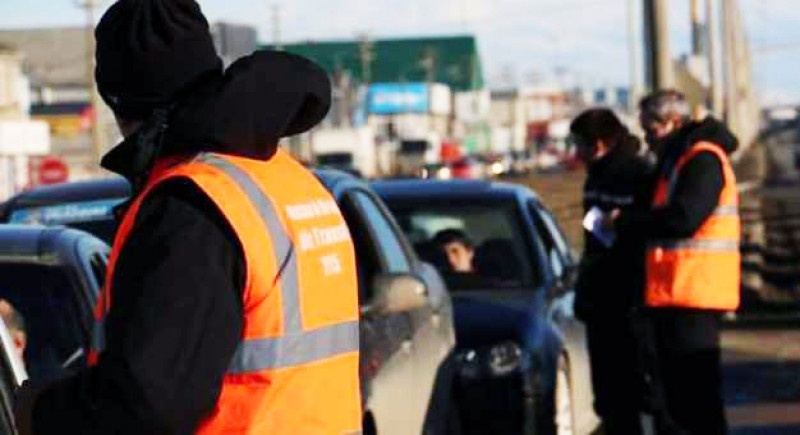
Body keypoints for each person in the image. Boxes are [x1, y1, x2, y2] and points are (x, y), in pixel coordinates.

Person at [14, 1, 362, 434]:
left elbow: (148, 400)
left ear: (119, 101)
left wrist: (39, 412)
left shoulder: (192, 207)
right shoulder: (287, 181)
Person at [613, 90, 740, 435]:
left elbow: (684, 217)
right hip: (675, 294)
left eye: (650, 129)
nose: (647, 138)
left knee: (697, 403)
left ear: (670, 123)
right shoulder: (678, 161)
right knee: (678, 403)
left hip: (694, 296)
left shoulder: (702, 160)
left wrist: (630, 222)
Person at [569, 108, 654, 434]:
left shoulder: (636, 174)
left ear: (600, 144)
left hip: (627, 298)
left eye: (580, 146)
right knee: (609, 396)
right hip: (602, 296)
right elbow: (594, 239)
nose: (576, 154)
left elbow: (645, 230)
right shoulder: (598, 175)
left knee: (628, 392)